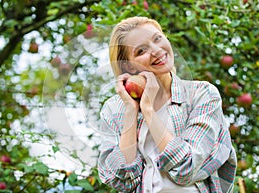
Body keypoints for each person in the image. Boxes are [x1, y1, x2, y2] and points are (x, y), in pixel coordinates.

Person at [97, 16, 237, 193]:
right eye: (141, 51)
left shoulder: (201, 94)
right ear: (129, 66)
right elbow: (123, 181)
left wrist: (148, 110)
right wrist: (131, 111)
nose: (156, 50)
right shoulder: (113, 110)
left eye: (157, 38)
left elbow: (188, 168)